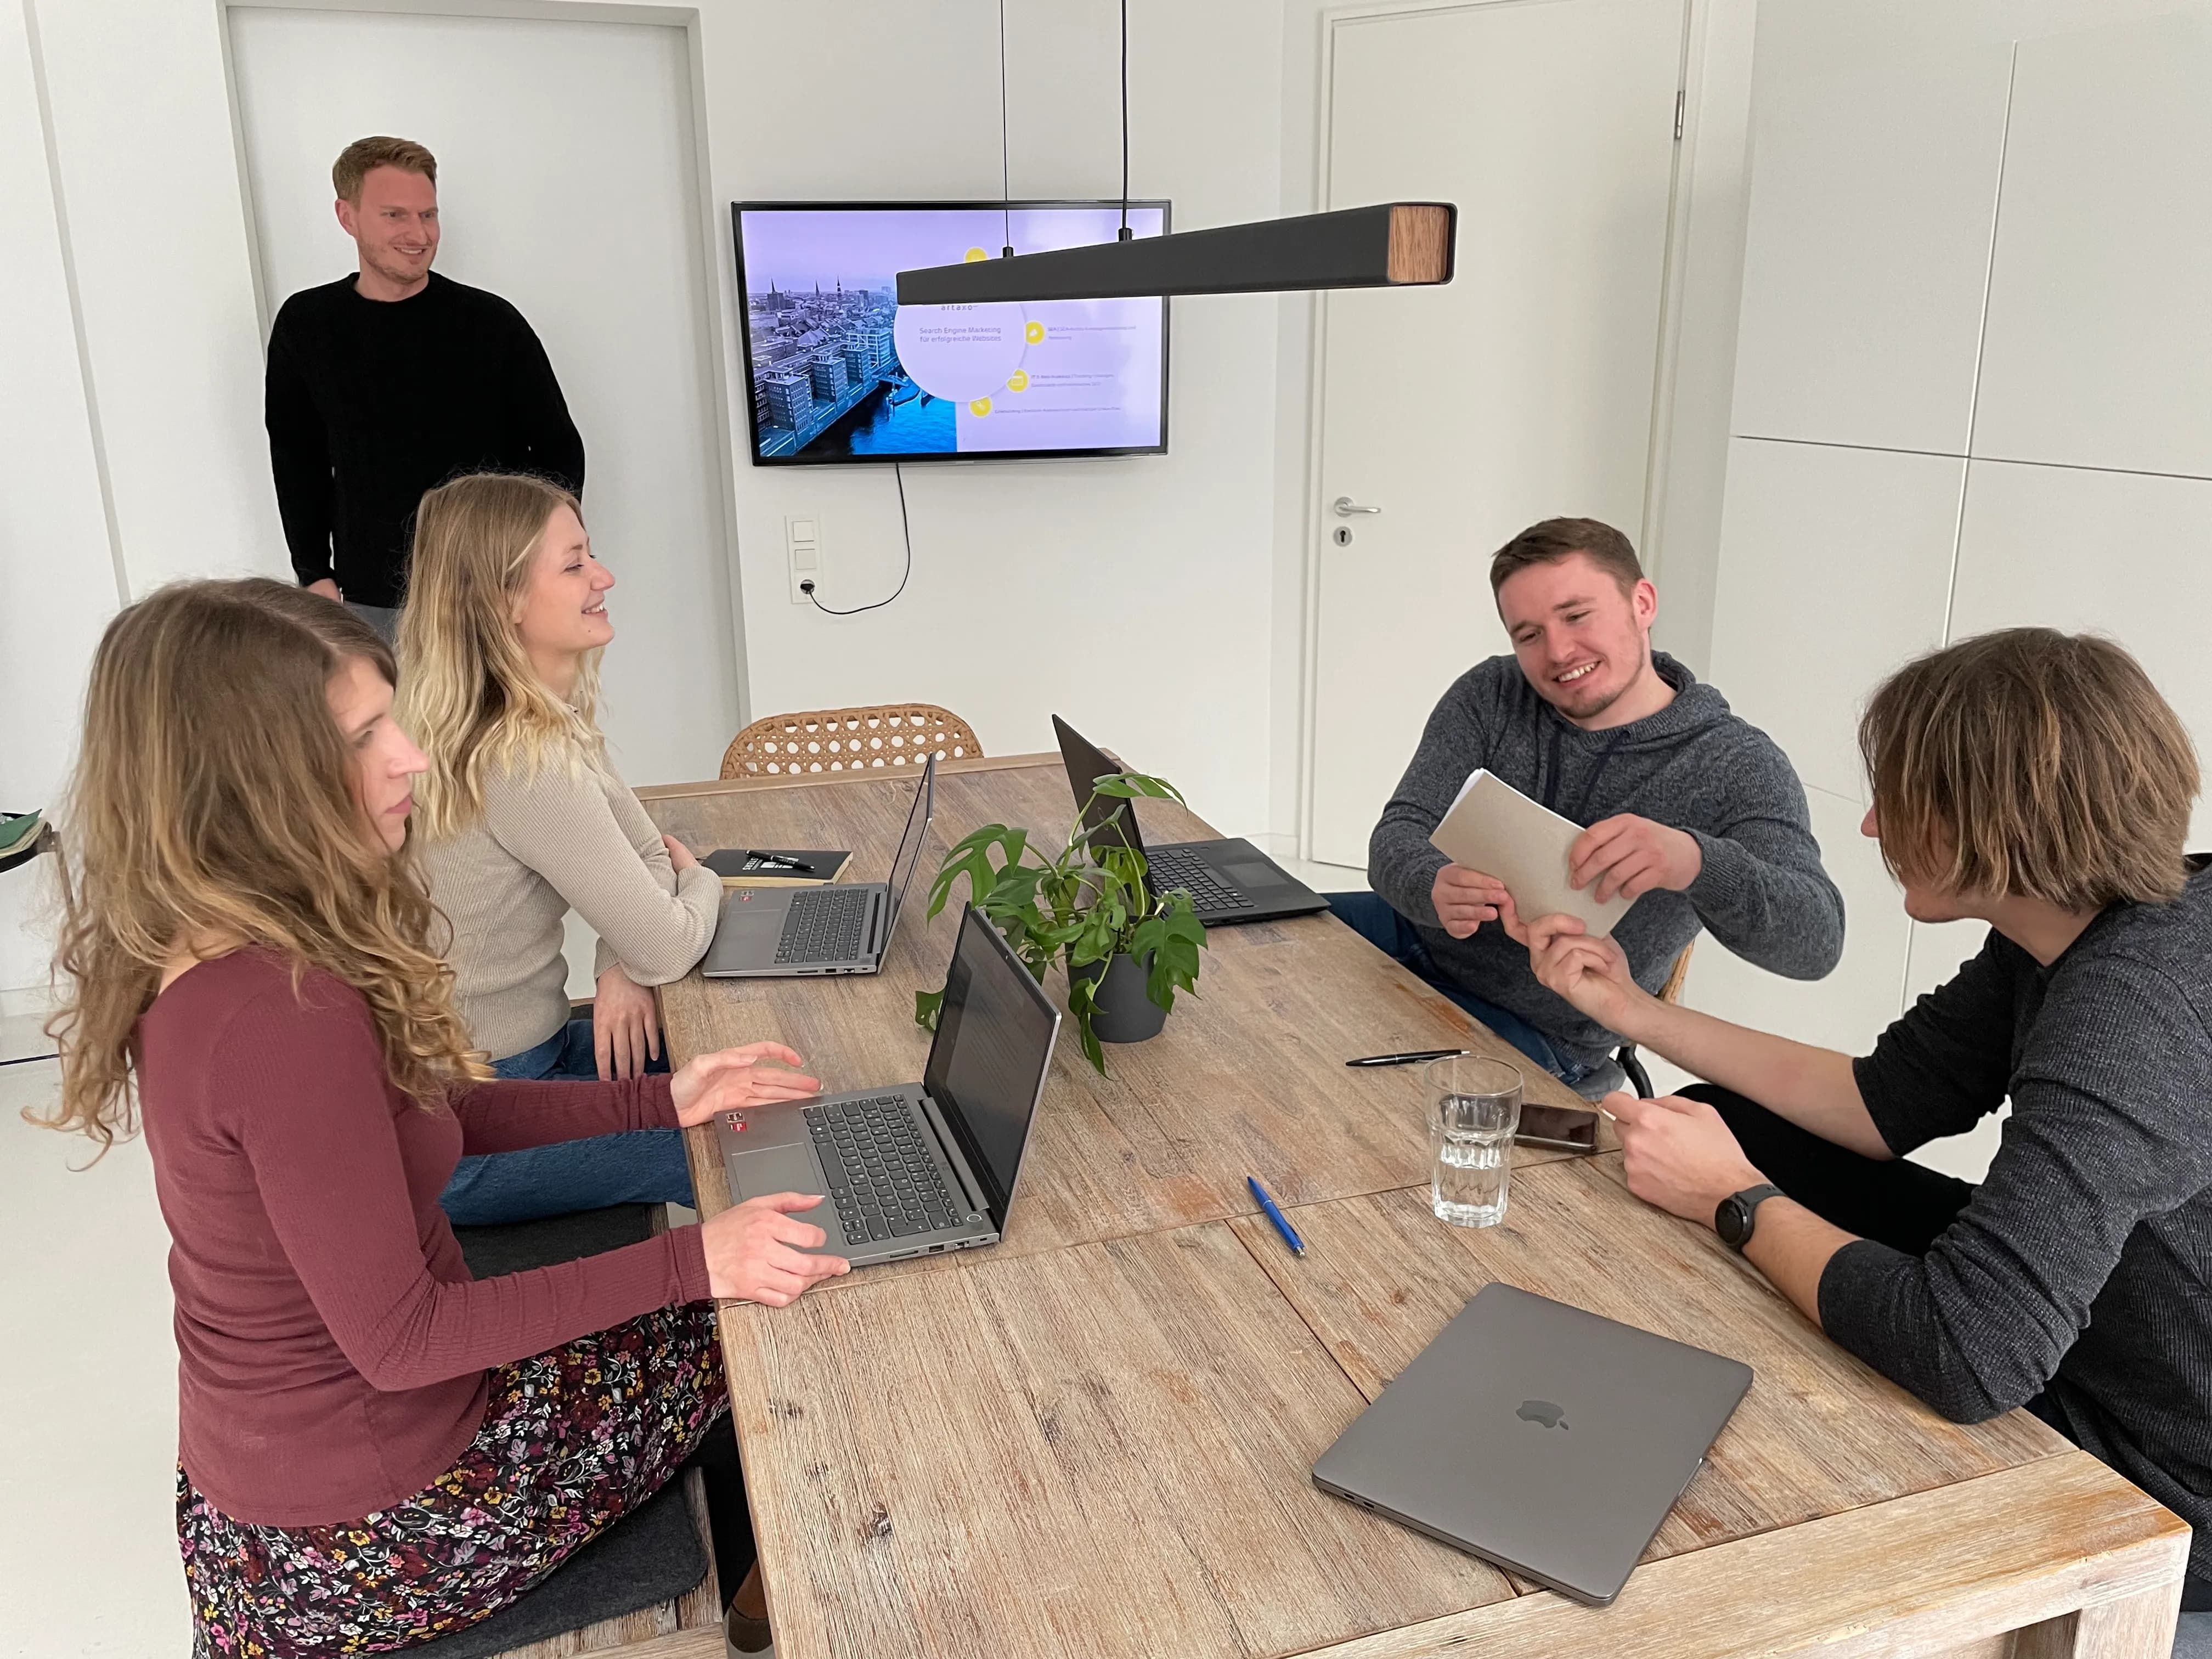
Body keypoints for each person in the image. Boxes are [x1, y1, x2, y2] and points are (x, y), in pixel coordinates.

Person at [33, 578, 842, 1656]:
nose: (412, 757)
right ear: (257, 781)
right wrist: (699, 1262)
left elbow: (436, 1109)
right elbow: (407, 1340)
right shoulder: (285, 1017)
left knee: (718, 1288)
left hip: (280, 1502)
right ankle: (795, 1621)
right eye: (368, 736)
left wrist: (667, 1096)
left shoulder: (210, 948)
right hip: (364, 1533)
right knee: (761, 1326)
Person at [1522, 627, 2212, 1619]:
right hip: (2101, 1309)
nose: (1872, 825)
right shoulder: (2087, 920)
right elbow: (1880, 1102)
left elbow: (1972, 1350)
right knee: (1721, 1116)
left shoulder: (2131, 1010)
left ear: (1995, 816)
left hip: (2159, 1456)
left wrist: (1734, 1200)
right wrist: (1633, 1009)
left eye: (1899, 797)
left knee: (1752, 1211)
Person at [1329, 517, 1844, 1098]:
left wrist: (1696, 861)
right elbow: (1397, 834)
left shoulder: (1735, 765)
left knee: (1365, 1116)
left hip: (1544, 1030)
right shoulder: (1492, 693)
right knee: (1232, 945)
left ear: (1642, 602)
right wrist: (1432, 883)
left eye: (1577, 616)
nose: (1558, 652)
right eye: (1529, 634)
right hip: (1409, 937)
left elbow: (1817, 943)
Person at [398, 471, 721, 1225]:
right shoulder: (520, 757)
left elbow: (642, 856)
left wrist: (619, 962)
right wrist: (704, 880)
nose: (603, 577)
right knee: (727, 1143)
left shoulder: (529, 720)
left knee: (746, 1077)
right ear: (505, 600)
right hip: (470, 1135)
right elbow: (670, 936)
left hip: (515, 1075)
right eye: (574, 564)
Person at [266, 136, 585, 640]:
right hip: (371, 599)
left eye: (428, 215)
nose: (419, 233)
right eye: (395, 215)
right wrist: (314, 573)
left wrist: (538, 565)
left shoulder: (491, 323)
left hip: (492, 593)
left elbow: (558, 450)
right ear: (347, 217)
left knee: (513, 721)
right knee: (391, 720)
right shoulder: (307, 325)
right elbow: (296, 456)